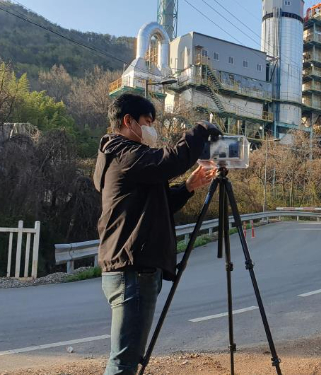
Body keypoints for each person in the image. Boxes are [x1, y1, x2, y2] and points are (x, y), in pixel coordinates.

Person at [93, 93, 221, 375]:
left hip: (130, 268)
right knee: (124, 362)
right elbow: (169, 160)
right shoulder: (124, 153)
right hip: (133, 270)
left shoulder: (124, 159)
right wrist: (200, 130)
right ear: (128, 121)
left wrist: (187, 188)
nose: (152, 129)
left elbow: (154, 207)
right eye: (148, 122)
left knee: (125, 358)